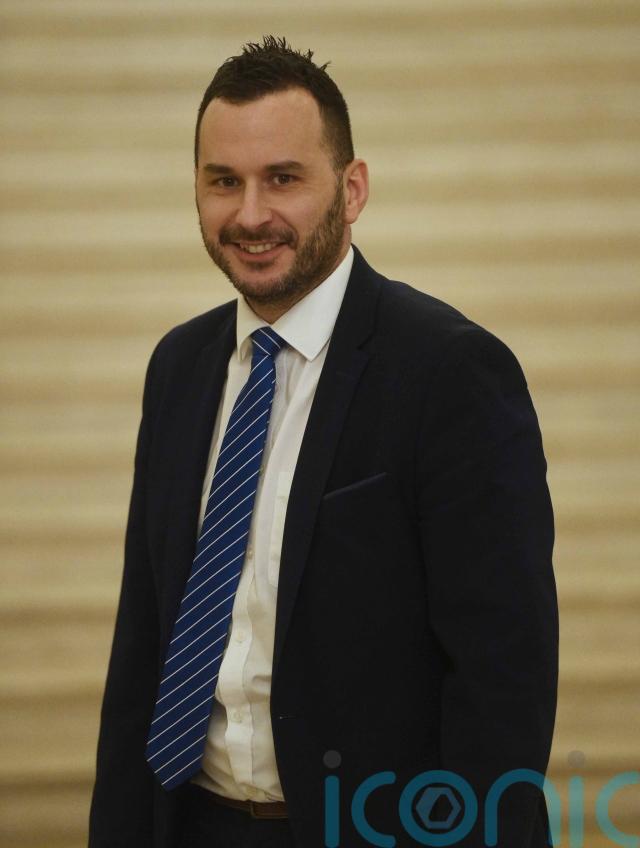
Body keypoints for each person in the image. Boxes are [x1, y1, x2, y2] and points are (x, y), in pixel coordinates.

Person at [89, 36, 558, 848]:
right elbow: (143, 647)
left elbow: (502, 680)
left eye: (283, 178)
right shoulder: (179, 367)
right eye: (223, 181)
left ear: (353, 187)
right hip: (190, 822)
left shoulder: (451, 372)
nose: (250, 214)